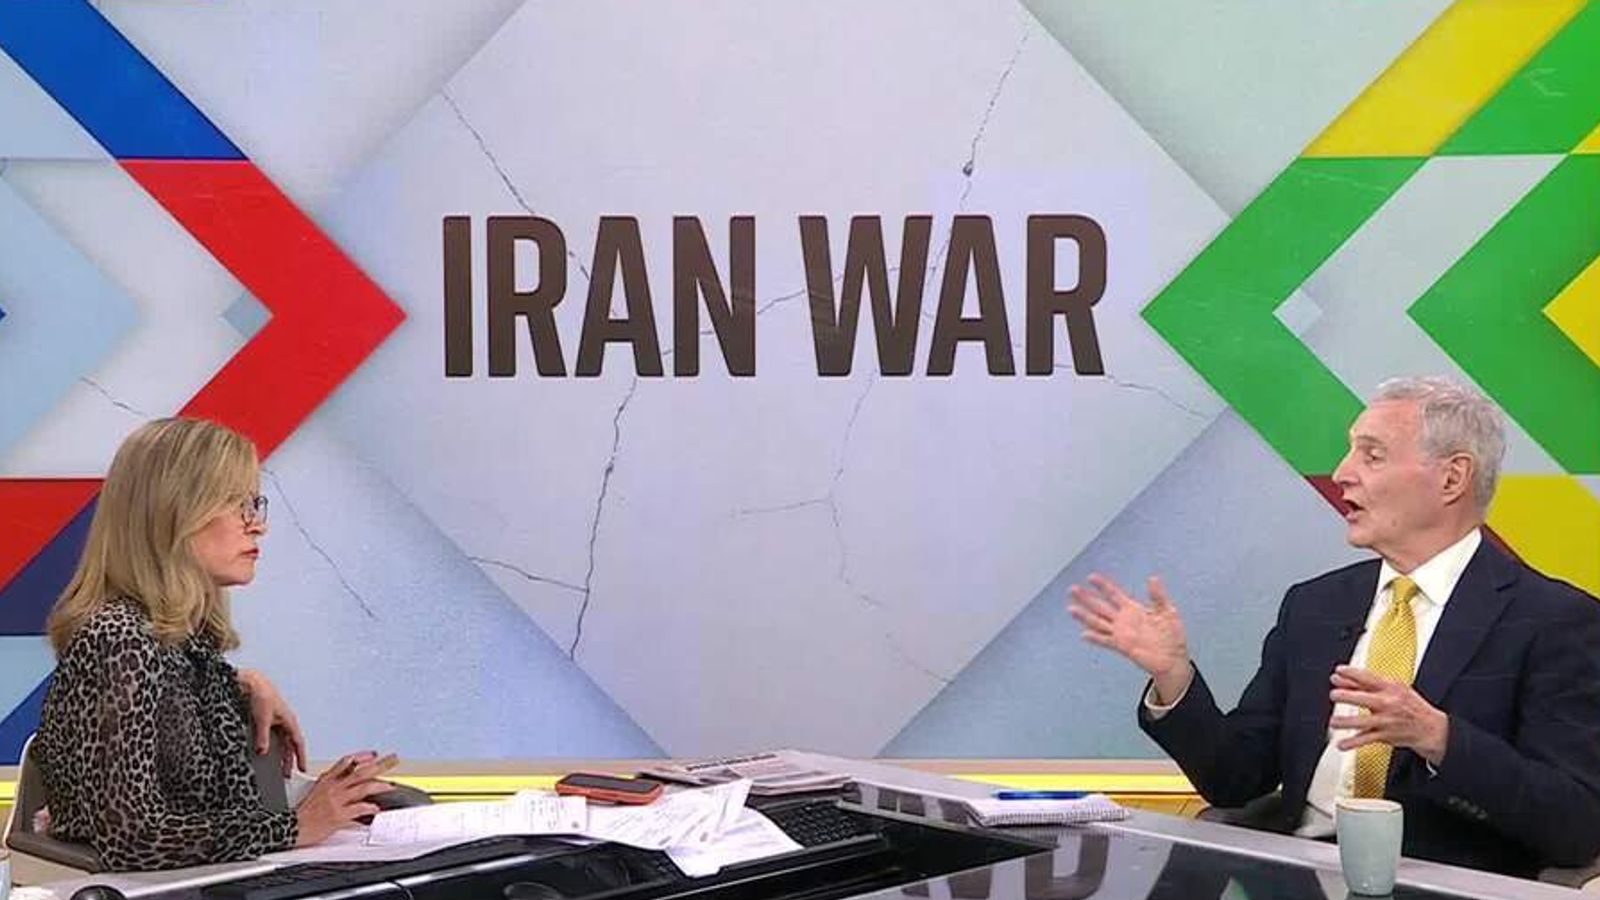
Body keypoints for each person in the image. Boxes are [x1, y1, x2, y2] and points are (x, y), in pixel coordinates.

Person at [1068, 376, 1600, 878]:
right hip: (1294, 877)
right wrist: (1174, 677)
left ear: (1452, 478)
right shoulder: (1315, 606)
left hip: (1441, 883)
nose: (1343, 473)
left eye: (1372, 455)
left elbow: (1575, 827)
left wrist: (1439, 738)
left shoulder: (1554, 621)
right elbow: (1234, 780)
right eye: (1350, 452)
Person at [34, 417, 399, 871]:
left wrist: (243, 683)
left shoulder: (188, 647)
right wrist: (296, 826)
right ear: (171, 513)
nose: (257, 526)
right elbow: (133, 838)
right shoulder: (119, 636)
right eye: (235, 504)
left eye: (254, 504)